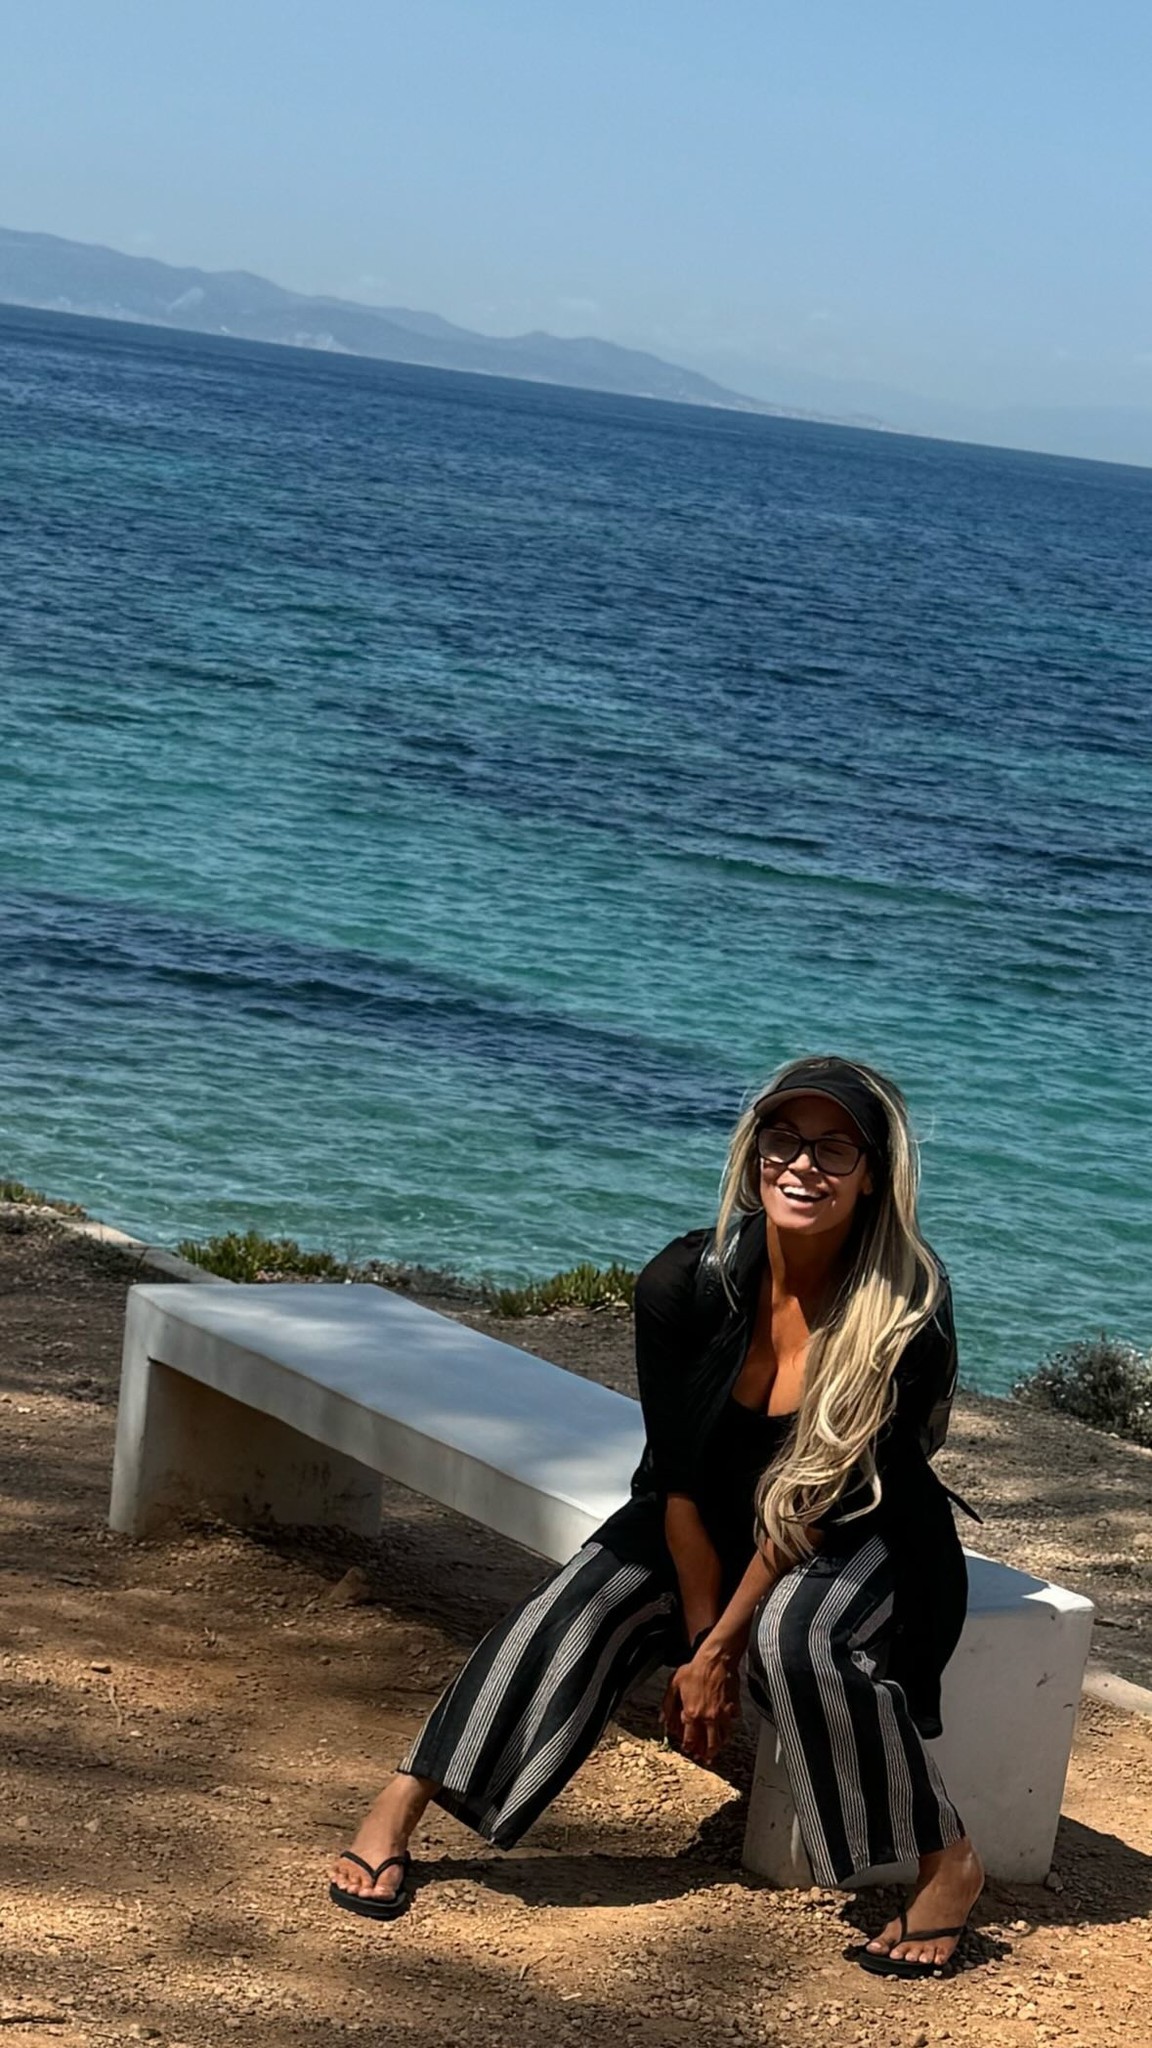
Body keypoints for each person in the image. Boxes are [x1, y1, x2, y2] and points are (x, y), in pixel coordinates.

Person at [328, 1054, 984, 1979]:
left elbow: (816, 1501)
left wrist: (719, 1650)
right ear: (754, 1154)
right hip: (704, 1510)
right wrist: (699, 1639)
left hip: (861, 1520)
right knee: (579, 1600)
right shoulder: (686, 1279)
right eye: (784, 1140)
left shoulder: (905, 1304)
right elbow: (676, 1481)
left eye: (835, 1148)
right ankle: (401, 1803)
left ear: (873, 1173)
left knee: (797, 1640)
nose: (804, 1165)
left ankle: (947, 1860)